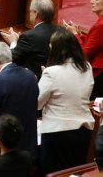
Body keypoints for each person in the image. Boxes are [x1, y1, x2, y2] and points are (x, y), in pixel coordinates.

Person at [37, 29, 94, 175]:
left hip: (57, 133)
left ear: (57, 50)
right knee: (74, 172)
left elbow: (37, 103)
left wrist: (44, 77)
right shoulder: (87, 67)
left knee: (53, 172)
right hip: (83, 131)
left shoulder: (51, 72)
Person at [1, 0, 63, 79]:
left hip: (35, 82)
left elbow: (11, 60)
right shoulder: (63, 31)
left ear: (36, 14)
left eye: (30, 11)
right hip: (59, 78)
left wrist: (13, 42)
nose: (29, 14)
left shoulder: (29, 36)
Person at [64, 0, 103, 98]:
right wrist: (80, 35)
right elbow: (95, 43)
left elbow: (84, 54)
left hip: (99, 74)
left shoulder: (100, 26)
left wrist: (74, 34)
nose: (91, 1)